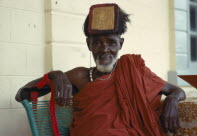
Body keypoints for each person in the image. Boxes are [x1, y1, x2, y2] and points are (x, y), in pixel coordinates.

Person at [15, 3, 186, 136]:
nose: (104, 49)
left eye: (111, 42)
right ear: (89, 45)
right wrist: (54, 75)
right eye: (97, 43)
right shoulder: (79, 76)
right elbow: (21, 95)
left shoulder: (134, 70)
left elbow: (177, 91)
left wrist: (172, 100)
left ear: (121, 44)